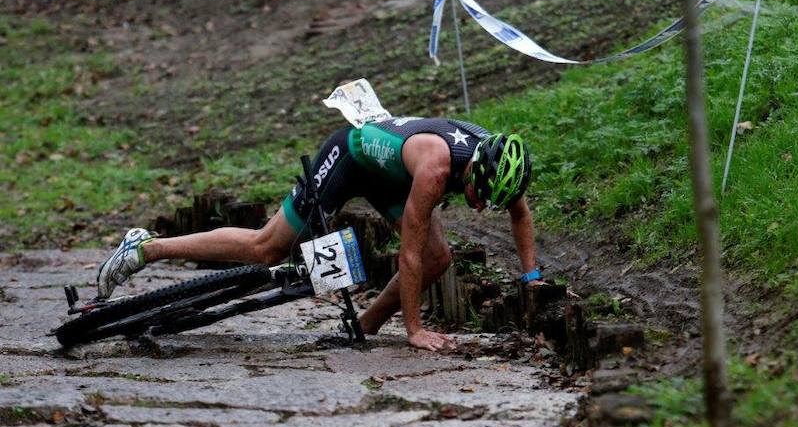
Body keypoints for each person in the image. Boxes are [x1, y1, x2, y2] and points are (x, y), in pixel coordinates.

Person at [95, 116, 542, 351]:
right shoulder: (437, 169)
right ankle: (147, 246)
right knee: (266, 247)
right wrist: (415, 330)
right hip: (347, 157)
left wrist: (531, 279)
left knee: (439, 257)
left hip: (389, 173)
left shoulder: (499, 162)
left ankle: (363, 326)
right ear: (472, 169)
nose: (480, 206)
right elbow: (407, 255)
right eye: (477, 195)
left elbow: (519, 215)